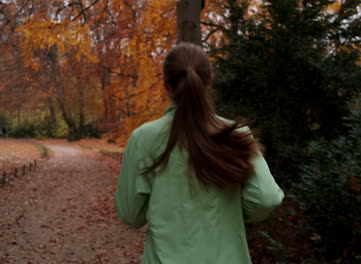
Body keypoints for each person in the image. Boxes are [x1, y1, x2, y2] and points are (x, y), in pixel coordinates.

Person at [115, 42, 284, 264]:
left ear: (165, 85)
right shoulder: (236, 135)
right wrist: (230, 215)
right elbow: (266, 198)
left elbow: (130, 214)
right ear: (210, 81)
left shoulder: (143, 138)